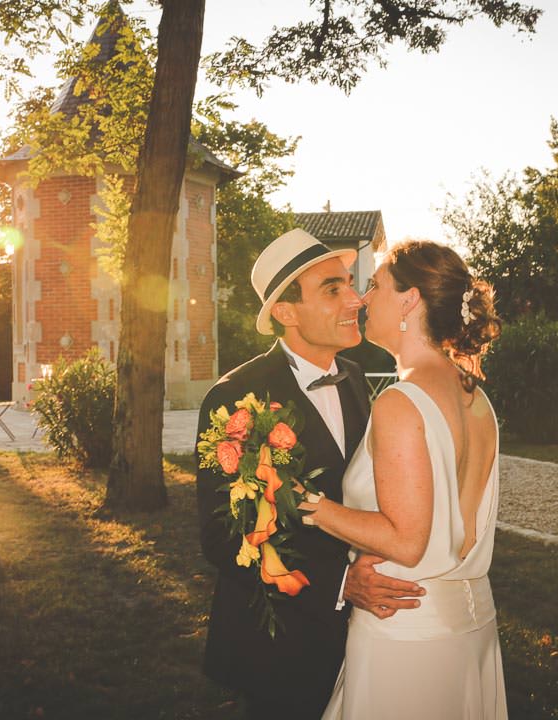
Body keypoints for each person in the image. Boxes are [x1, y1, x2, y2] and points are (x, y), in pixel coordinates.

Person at [195, 228, 426, 720]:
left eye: (351, 285)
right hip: (280, 644)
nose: (355, 300)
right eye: (332, 289)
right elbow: (225, 538)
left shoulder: (355, 378)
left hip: (362, 634)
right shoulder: (237, 399)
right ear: (286, 312)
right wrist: (340, 584)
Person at [299, 239, 506, 719]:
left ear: (409, 300)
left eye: (375, 286)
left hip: (407, 630)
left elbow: (408, 542)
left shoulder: (401, 401)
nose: (363, 299)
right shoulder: (476, 398)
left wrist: (307, 504)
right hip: (470, 622)